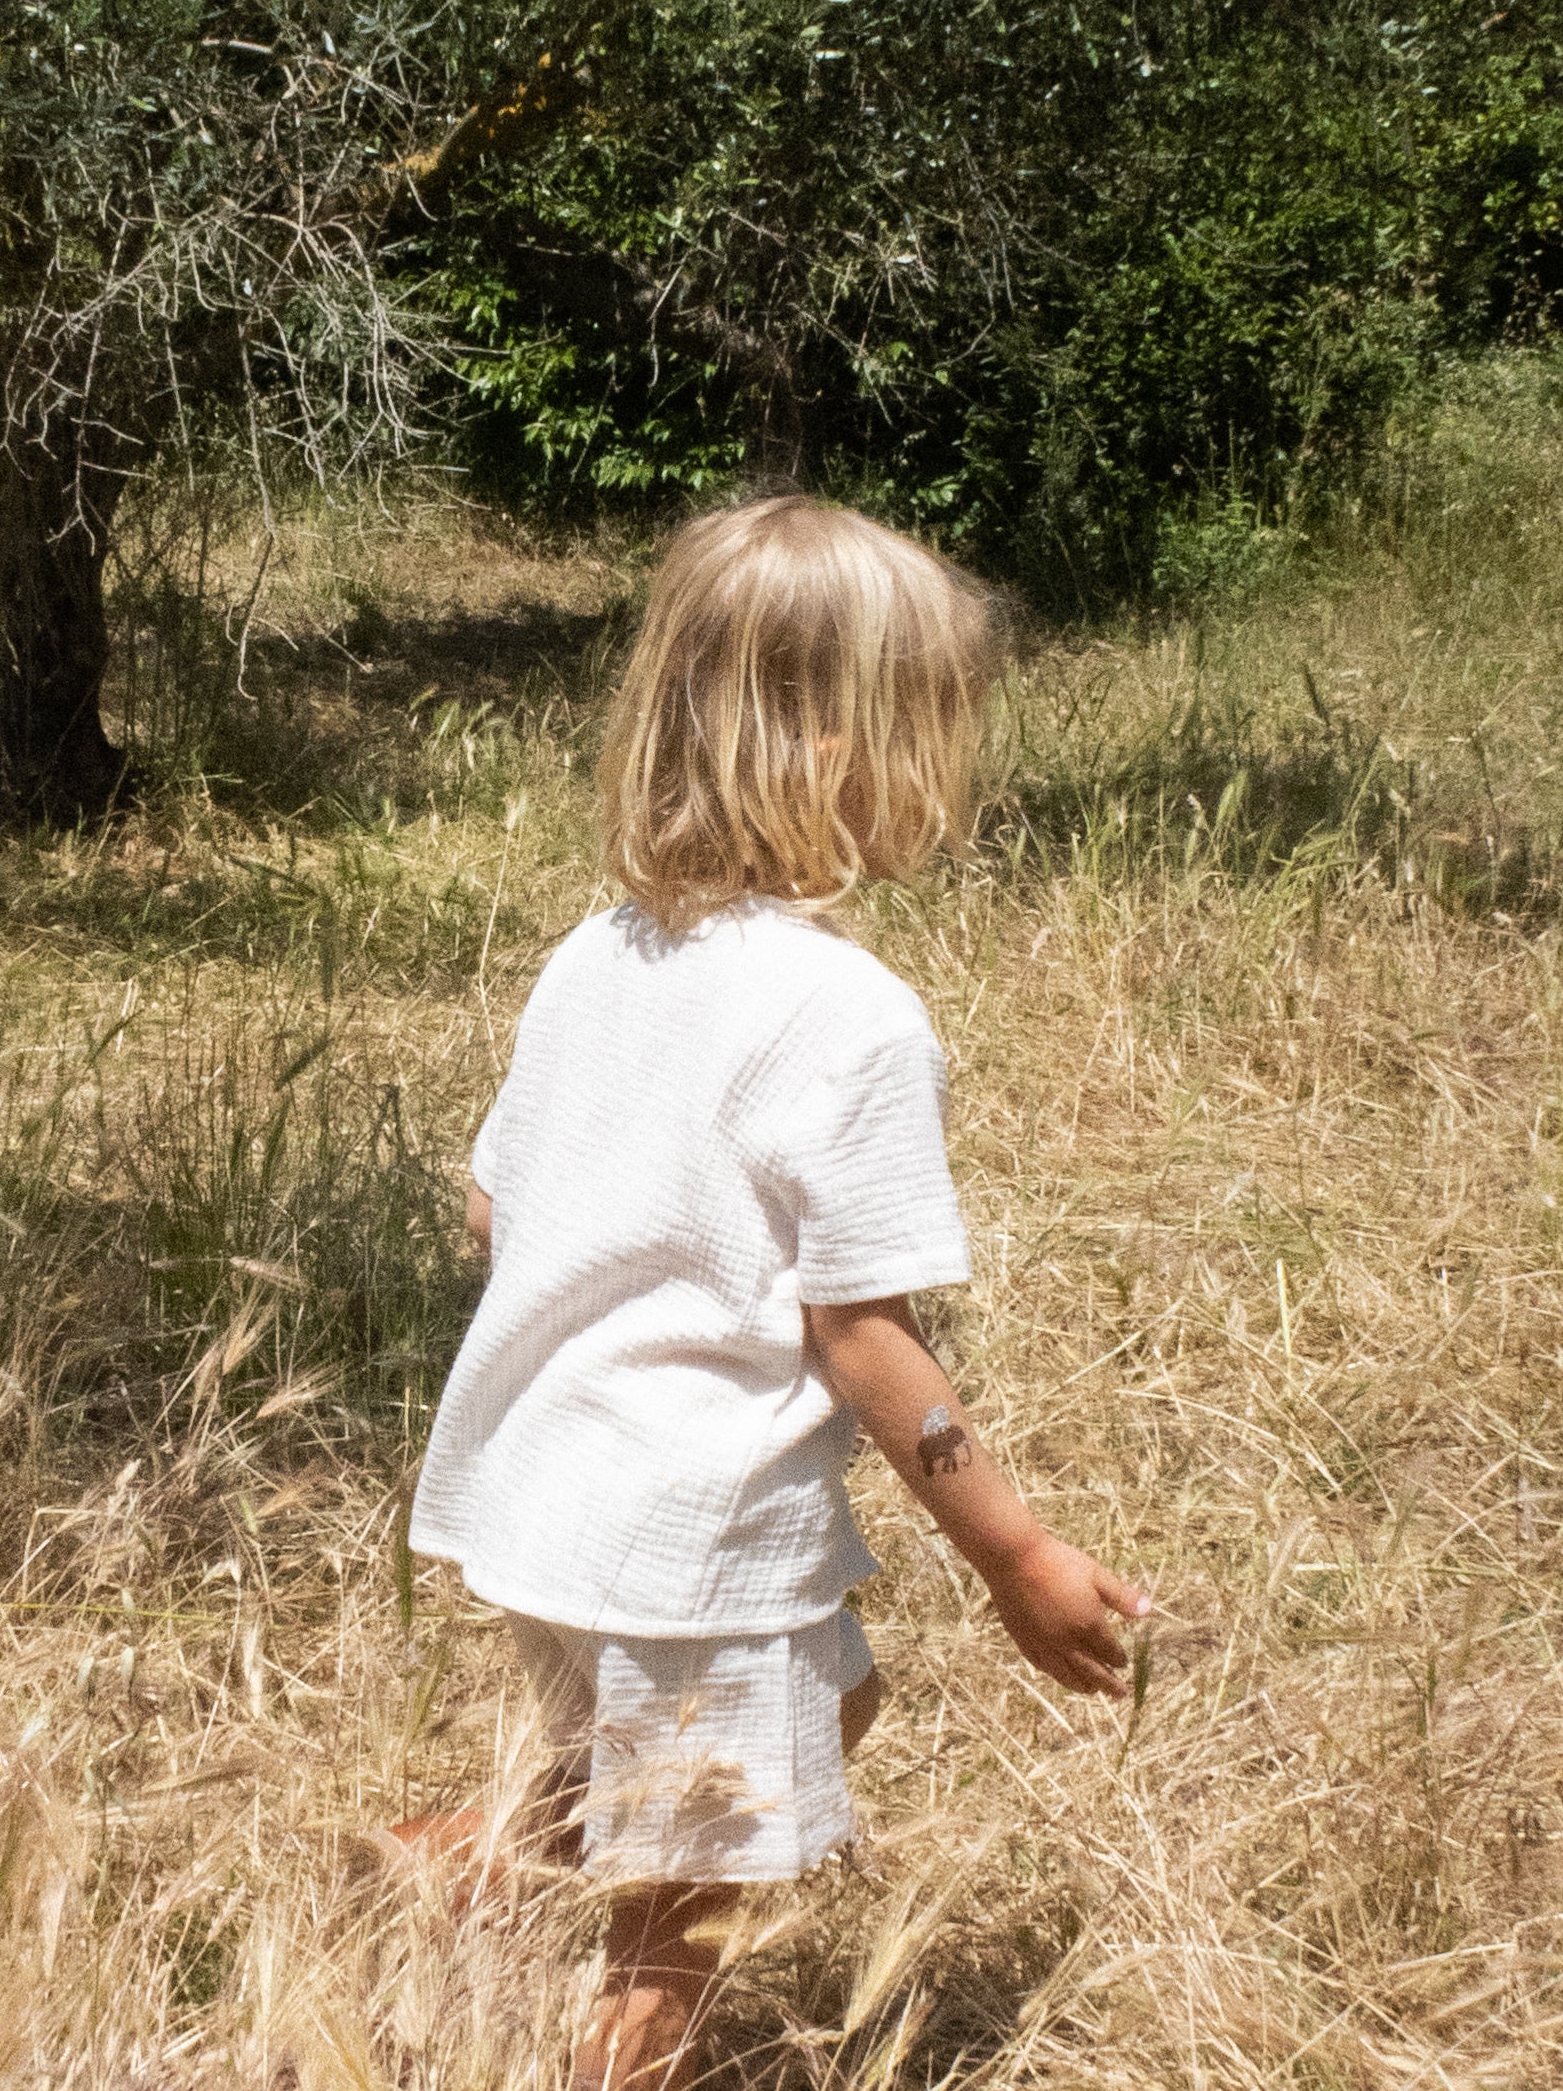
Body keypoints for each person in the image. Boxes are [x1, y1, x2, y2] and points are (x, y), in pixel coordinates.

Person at [390, 493, 1152, 2091]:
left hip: (541, 1484)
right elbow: (858, 1329)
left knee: (814, 1697)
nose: (948, 766)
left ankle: (451, 1871)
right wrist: (1013, 1553)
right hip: (695, 1530)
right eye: (931, 724)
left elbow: (488, 1200)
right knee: (694, 1876)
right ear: (830, 746)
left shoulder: (594, 952)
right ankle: (616, 2066)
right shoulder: (848, 1012)